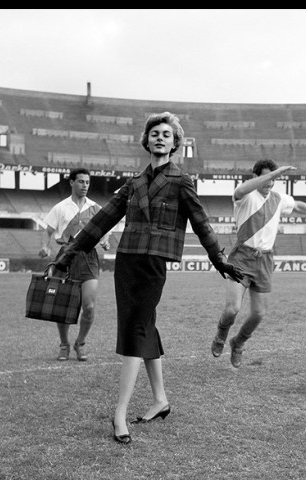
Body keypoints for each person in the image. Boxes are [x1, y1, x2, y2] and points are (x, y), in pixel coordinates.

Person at [55, 112, 245, 444]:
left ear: (175, 144)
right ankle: (160, 400)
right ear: (147, 141)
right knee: (145, 327)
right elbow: (101, 222)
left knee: (135, 330)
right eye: (154, 133)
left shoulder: (181, 182)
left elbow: (201, 224)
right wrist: (69, 252)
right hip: (127, 261)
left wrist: (220, 260)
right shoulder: (133, 183)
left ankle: (119, 414)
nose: (159, 137)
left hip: (153, 265)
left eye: (166, 134)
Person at [210, 160, 306, 368]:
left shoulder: (278, 199)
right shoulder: (245, 196)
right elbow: (241, 189)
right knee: (232, 309)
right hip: (242, 257)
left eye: (273, 179)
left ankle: (238, 342)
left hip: (265, 260)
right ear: (256, 176)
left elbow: (297, 205)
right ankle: (222, 333)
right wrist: (272, 174)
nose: (270, 183)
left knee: (259, 313)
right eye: (267, 178)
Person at [38, 168, 114, 362]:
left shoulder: (95, 207)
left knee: (88, 307)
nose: (85, 186)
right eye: (81, 182)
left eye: (87, 182)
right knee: (62, 306)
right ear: (71, 182)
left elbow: (107, 229)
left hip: (89, 258)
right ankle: (64, 344)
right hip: (66, 257)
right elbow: (48, 231)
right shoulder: (60, 207)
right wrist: (45, 247)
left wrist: (105, 240)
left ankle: (80, 343)